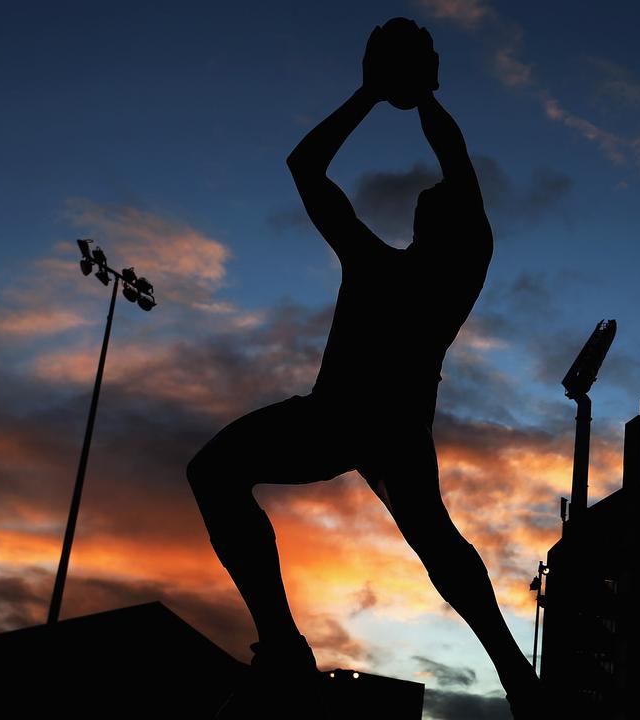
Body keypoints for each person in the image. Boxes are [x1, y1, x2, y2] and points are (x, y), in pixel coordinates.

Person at [187, 18, 544, 717]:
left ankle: (287, 649)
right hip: (388, 425)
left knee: (216, 471)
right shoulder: (399, 264)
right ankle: (517, 677)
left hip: (351, 417)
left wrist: (399, 94)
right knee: (435, 540)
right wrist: (384, 92)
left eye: (442, 195)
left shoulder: (440, 260)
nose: (431, 191)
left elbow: (439, 160)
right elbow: (307, 168)